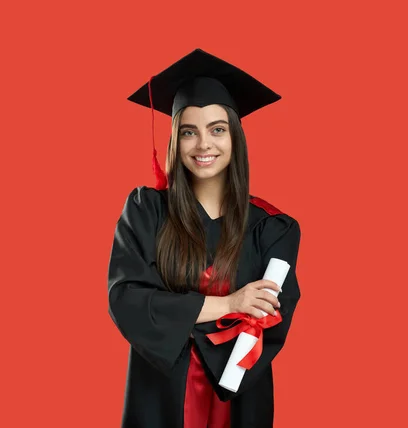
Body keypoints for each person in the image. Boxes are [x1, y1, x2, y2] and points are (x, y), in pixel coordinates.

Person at [107, 49, 302, 428]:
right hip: (160, 395)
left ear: (235, 137)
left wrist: (179, 314)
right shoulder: (146, 211)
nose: (203, 145)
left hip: (237, 393)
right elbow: (126, 297)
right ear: (175, 141)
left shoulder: (273, 227)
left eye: (217, 129)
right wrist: (229, 303)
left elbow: (273, 319)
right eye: (188, 131)